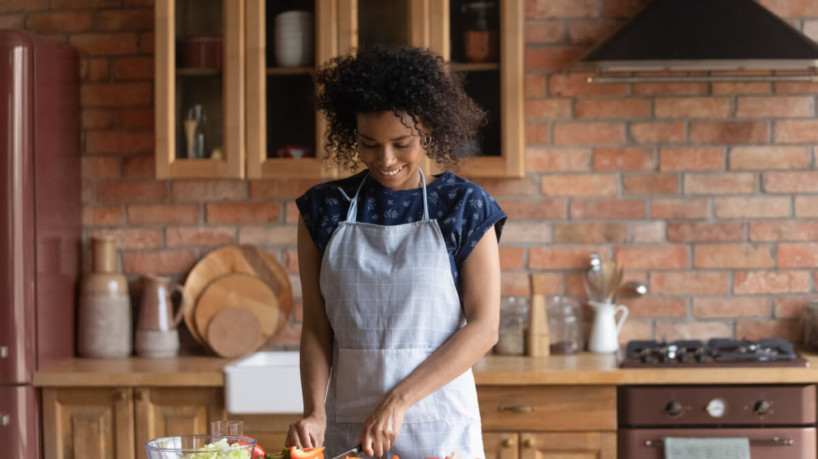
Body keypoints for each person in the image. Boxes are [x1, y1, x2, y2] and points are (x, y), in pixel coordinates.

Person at [288, 45, 506, 459]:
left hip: (441, 430)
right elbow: (317, 327)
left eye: (401, 143)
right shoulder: (323, 209)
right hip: (352, 431)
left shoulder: (464, 206)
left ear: (428, 130)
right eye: (369, 143)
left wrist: (398, 400)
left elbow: (484, 328)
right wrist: (314, 412)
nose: (385, 159)